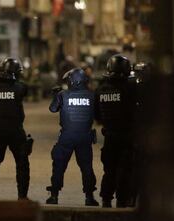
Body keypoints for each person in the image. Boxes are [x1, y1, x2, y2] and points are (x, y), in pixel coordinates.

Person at [46, 68, 99, 206]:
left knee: (59, 165)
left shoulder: (63, 95)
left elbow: (52, 109)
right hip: (85, 137)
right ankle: (89, 197)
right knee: (86, 167)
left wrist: (56, 95)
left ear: (71, 81)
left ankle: (54, 196)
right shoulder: (92, 95)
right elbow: (98, 115)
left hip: (67, 137)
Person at [0, 58, 30, 201]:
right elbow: (23, 89)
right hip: (15, 131)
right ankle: (22, 196)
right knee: (22, 163)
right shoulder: (19, 88)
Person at [95, 54, 136, 208]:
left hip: (109, 137)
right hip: (127, 136)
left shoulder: (101, 90)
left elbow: (97, 116)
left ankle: (106, 200)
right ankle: (122, 201)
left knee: (109, 170)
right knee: (125, 170)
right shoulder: (131, 88)